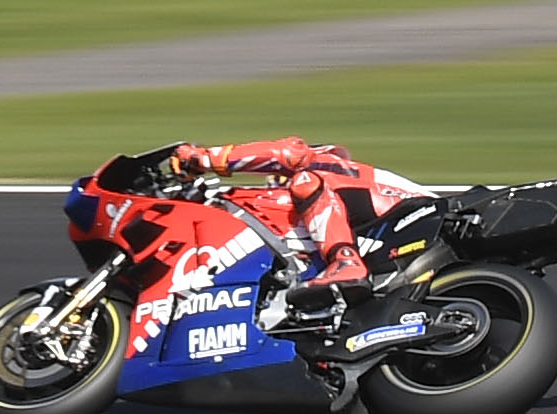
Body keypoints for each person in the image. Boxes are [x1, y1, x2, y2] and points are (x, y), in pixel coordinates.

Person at [154, 138, 428, 329]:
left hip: (408, 208)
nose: (273, 184)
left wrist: (203, 159)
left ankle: (345, 262)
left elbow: (287, 152)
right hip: (384, 235)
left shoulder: (321, 165)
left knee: (305, 182)